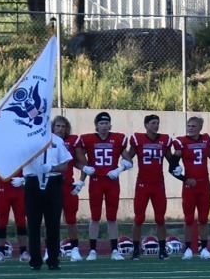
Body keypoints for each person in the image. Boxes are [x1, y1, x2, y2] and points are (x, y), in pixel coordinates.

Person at [77, 112, 128, 260]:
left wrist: (119, 169)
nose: (104, 126)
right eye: (101, 123)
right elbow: (78, 159)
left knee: (112, 217)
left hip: (112, 182)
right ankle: (92, 250)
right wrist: (85, 170)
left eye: (106, 123)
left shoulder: (118, 139)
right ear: (96, 126)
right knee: (95, 216)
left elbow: (129, 160)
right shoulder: (88, 140)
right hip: (96, 182)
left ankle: (115, 250)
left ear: (110, 125)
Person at [22, 130, 74, 271]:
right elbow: (19, 159)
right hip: (33, 182)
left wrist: (52, 167)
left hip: (53, 181)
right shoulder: (27, 138)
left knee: (53, 224)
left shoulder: (57, 140)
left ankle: (53, 259)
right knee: (33, 223)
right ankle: (35, 260)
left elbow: (65, 165)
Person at [126, 115, 172, 257]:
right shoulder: (137, 139)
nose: (156, 126)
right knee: (139, 218)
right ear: (146, 125)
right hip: (143, 184)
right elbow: (128, 156)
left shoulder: (165, 140)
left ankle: (163, 249)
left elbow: (171, 159)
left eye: (157, 123)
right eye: (153, 123)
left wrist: (178, 163)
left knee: (160, 218)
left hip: (158, 184)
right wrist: (122, 165)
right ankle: (135, 249)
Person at [174, 116, 210, 259]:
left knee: (203, 218)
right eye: (188, 125)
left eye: (193, 126)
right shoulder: (181, 142)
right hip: (189, 186)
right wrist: (185, 178)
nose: (190, 128)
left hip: (204, 184)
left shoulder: (206, 140)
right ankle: (188, 249)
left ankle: (204, 248)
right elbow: (172, 165)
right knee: (189, 218)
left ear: (200, 128)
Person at [50, 115, 83, 261]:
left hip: (68, 184)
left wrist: (81, 181)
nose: (60, 129)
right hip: (51, 184)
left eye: (63, 126)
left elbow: (82, 163)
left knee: (71, 219)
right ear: (53, 127)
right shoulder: (47, 140)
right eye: (58, 126)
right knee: (51, 219)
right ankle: (51, 249)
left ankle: (75, 249)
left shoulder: (72, 141)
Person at [0, 152, 27, 263]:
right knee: (2, 221)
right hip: (4, 185)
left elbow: (31, 163)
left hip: (19, 186)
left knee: (21, 220)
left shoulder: (23, 146)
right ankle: (0, 252)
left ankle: (23, 251)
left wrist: (24, 178)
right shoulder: (1, 147)